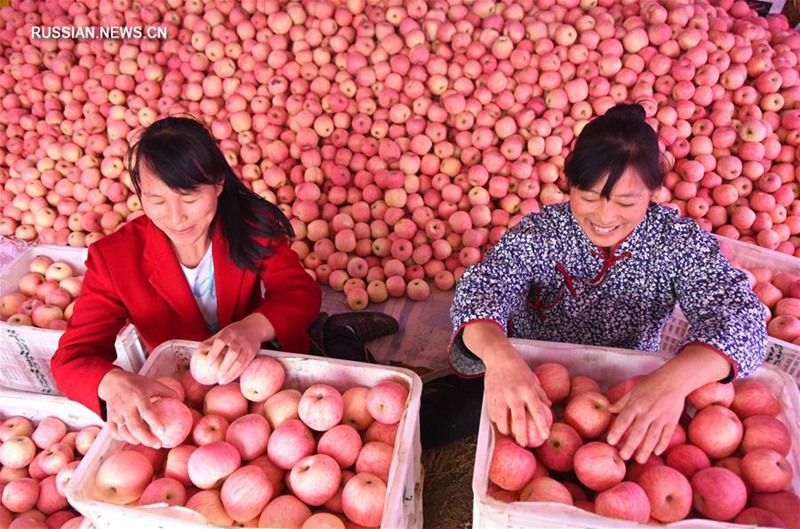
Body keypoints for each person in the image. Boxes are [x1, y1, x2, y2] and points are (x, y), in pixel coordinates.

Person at [51, 116, 397, 449]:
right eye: (156, 201)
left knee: (342, 389)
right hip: (189, 383)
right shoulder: (114, 259)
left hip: (258, 361)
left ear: (218, 185)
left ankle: (338, 332)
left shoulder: (249, 223)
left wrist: (252, 328)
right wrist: (112, 382)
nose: (176, 217)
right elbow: (70, 359)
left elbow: (299, 291)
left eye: (189, 198)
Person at [448, 103, 767, 463]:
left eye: (626, 202)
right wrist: (500, 358)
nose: (604, 216)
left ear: (654, 190)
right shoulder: (542, 233)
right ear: (570, 184)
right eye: (588, 197)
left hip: (631, 385)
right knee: (452, 418)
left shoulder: (677, 242)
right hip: (534, 378)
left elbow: (741, 316)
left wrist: (672, 382)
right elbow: (481, 289)